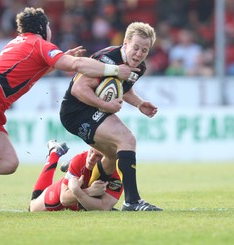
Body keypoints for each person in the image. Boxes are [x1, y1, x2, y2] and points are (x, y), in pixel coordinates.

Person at [0, 7, 139, 215]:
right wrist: (114, 70)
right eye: (48, 26)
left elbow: (29, 72)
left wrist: (60, 58)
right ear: (42, 27)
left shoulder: (20, 42)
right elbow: (76, 66)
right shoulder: (38, 44)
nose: (50, 30)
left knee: (8, 163)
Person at [59, 22, 163, 211]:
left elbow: (121, 89)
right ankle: (132, 201)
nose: (139, 54)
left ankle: (86, 192)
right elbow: (78, 88)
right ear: (125, 43)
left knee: (114, 156)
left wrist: (139, 103)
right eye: (136, 48)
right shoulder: (107, 60)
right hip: (76, 111)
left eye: (145, 50)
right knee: (127, 139)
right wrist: (105, 105)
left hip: (89, 111)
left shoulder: (139, 67)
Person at [29, 140, 123, 212]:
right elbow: (64, 199)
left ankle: (70, 168)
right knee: (33, 207)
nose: (91, 158)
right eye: (91, 152)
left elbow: (104, 206)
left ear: (109, 158)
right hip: (62, 197)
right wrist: (88, 191)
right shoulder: (81, 159)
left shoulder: (119, 172)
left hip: (80, 204)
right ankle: (54, 153)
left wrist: (79, 191)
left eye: (98, 156)